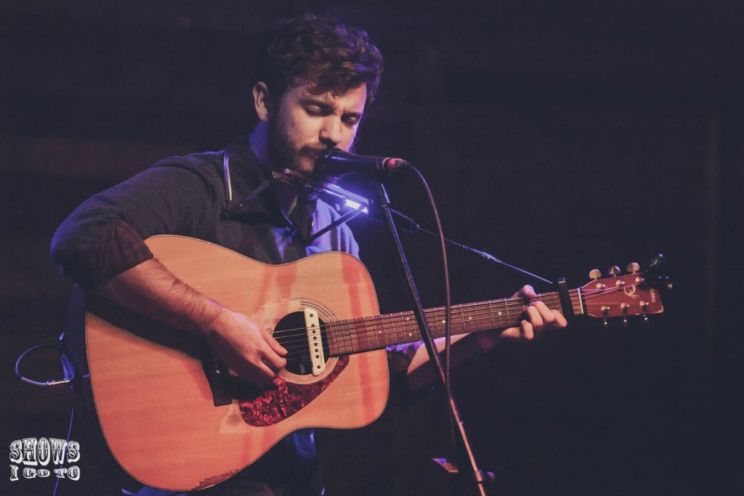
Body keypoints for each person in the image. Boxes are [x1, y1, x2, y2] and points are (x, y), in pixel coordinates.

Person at [51, 14, 566, 495]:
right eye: (316, 109)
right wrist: (215, 323)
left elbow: (370, 382)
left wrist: (478, 339)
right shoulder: (203, 185)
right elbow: (84, 237)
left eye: (349, 118)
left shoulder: (335, 231)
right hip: (185, 472)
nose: (333, 135)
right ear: (263, 101)